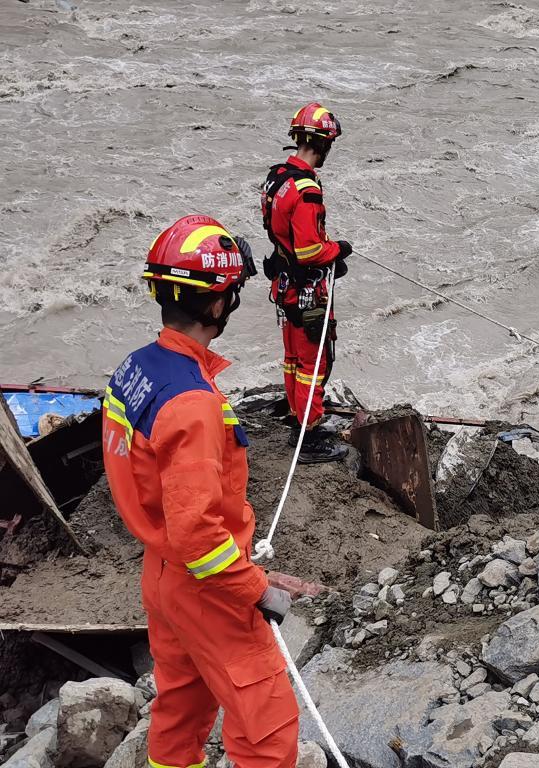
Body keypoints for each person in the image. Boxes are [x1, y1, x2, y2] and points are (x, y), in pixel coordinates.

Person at [101, 216, 299, 768]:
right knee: (267, 728)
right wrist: (256, 587)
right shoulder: (193, 402)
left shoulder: (137, 368)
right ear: (217, 305)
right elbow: (197, 534)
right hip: (207, 587)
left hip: (161, 575)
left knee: (181, 707)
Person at [260, 102, 351, 463]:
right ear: (323, 144)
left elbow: (282, 236)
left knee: (294, 361)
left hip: (285, 285)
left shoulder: (277, 177)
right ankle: (308, 436)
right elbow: (311, 249)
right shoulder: (307, 189)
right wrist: (339, 249)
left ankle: (301, 419)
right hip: (307, 292)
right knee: (315, 364)